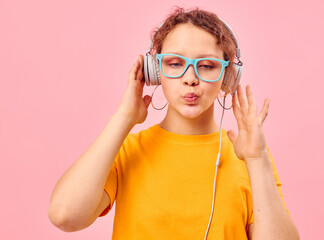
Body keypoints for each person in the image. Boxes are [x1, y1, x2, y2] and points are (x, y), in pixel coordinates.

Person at [48, 7, 300, 240]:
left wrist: (257, 160)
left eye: (207, 65)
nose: (190, 78)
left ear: (227, 77)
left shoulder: (250, 157)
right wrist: (124, 117)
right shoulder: (127, 150)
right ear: (155, 71)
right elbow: (65, 216)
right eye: (175, 63)